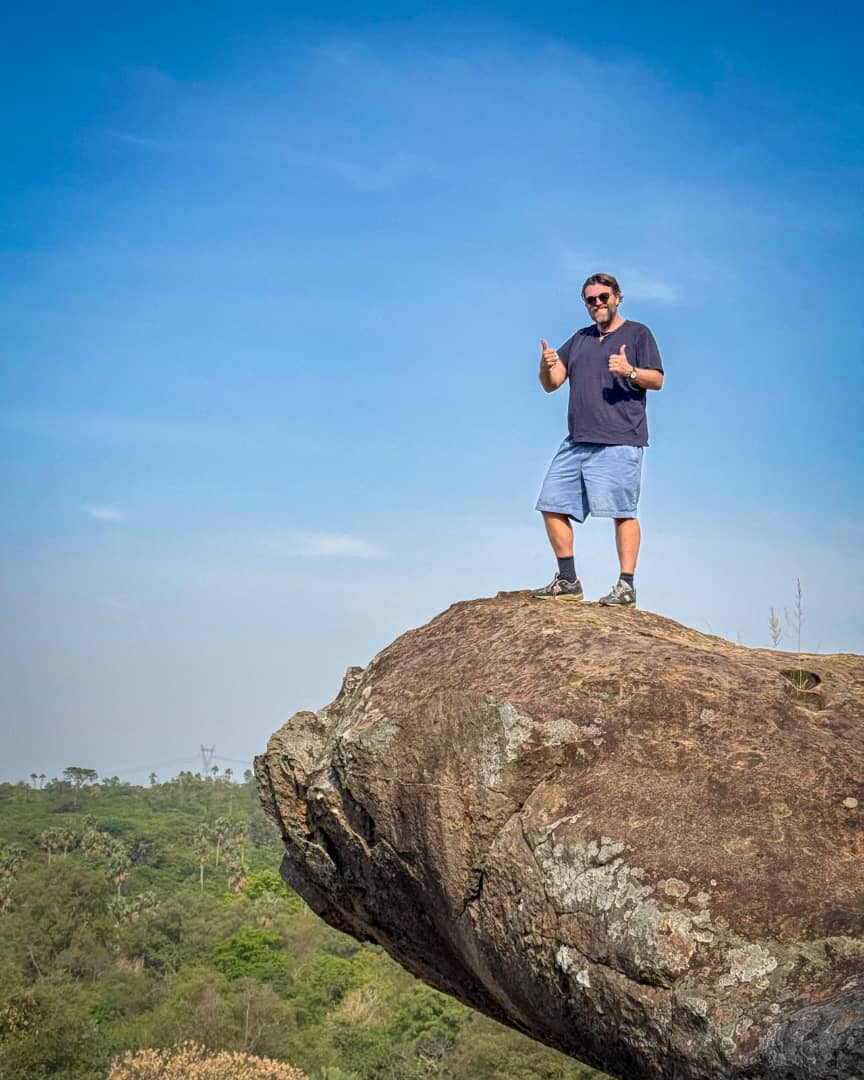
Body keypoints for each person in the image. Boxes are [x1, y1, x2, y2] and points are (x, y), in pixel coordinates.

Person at [533, 272, 664, 606]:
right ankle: (567, 580)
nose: (597, 304)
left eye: (603, 297)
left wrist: (630, 371)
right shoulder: (580, 339)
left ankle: (626, 586)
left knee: (623, 512)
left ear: (617, 297)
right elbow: (552, 383)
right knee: (550, 503)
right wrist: (546, 365)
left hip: (620, 439)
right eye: (591, 300)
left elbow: (657, 380)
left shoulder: (638, 333)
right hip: (577, 441)